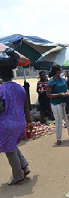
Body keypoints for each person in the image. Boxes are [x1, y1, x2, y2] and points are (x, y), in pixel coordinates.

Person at [0, 48, 32, 185]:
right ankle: (24, 165)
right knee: (11, 145)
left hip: (6, 124)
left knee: (9, 150)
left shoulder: (1, 89)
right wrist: (29, 122)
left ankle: (18, 176)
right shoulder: (20, 88)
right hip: (20, 123)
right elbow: (26, 107)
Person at [46, 64, 69, 145]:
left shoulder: (64, 80)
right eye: (61, 70)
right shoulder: (51, 82)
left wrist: (67, 92)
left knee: (67, 119)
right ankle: (58, 138)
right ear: (57, 72)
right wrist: (59, 95)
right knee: (59, 121)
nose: (62, 71)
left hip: (65, 102)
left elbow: (67, 88)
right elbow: (48, 94)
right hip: (56, 103)